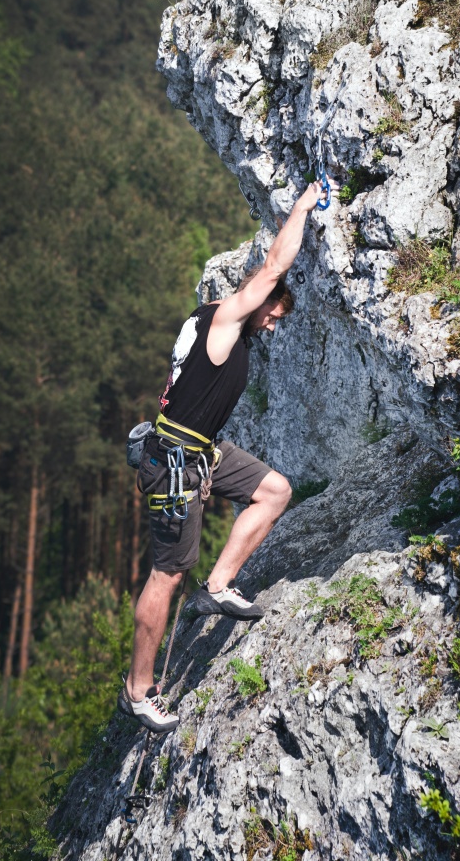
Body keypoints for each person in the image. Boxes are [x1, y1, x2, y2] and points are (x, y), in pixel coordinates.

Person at [118, 177, 332, 733]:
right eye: (274, 312)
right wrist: (304, 205)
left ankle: (219, 586)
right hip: (175, 463)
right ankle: (138, 692)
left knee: (275, 490)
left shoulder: (206, 317)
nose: (274, 321)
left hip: (201, 450)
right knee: (166, 575)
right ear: (255, 301)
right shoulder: (227, 319)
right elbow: (272, 267)